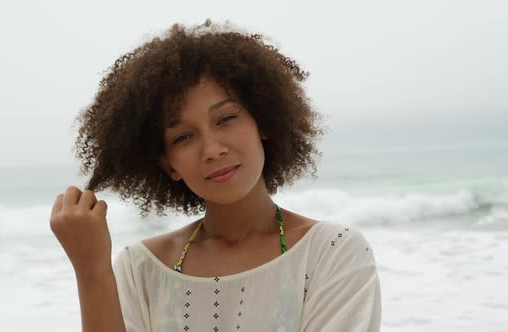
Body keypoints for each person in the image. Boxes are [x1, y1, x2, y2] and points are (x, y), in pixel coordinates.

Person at [50, 19, 381, 332]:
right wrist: (91, 270)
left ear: (263, 122)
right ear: (169, 165)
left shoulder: (332, 252)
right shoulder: (142, 269)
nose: (211, 149)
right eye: (183, 137)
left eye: (226, 118)